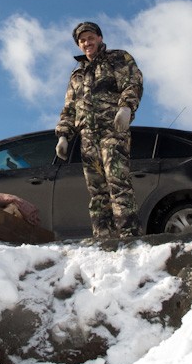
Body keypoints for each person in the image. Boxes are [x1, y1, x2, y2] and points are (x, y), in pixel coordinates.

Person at [55, 21, 143, 239]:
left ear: (99, 38)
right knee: (97, 192)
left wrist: (126, 108)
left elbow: (133, 83)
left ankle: (129, 238)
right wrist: (63, 136)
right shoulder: (77, 75)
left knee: (118, 184)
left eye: (90, 37)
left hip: (112, 131)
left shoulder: (118, 58)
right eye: (82, 40)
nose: (87, 42)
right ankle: (103, 240)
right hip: (87, 138)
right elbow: (69, 108)